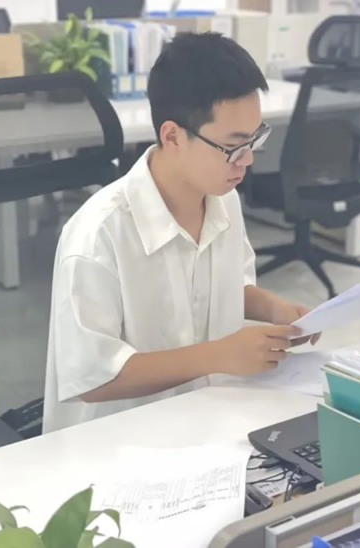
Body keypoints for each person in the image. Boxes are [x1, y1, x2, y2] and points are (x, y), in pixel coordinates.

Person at [43, 32, 318, 433]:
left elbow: (224, 286)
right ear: (172, 136)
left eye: (254, 140)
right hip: (116, 440)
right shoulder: (98, 235)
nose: (246, 161)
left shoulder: (223, 199)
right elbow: (93, 377)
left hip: (207, 418)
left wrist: (273, 308)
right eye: (233, 146)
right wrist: (219, 355)